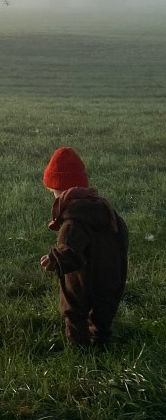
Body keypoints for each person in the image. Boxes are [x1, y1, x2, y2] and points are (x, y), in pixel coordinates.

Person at [40, 146, 128, 349]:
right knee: (103, 314)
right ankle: (102, 344)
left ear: (61, 191)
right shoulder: (106, 211)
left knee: (74, 311)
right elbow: (122, 237)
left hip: (83, 280)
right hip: (112, 276)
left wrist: (54, 259)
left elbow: (70, 254)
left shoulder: (73, 222)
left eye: (54, 192)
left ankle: (79, 350)